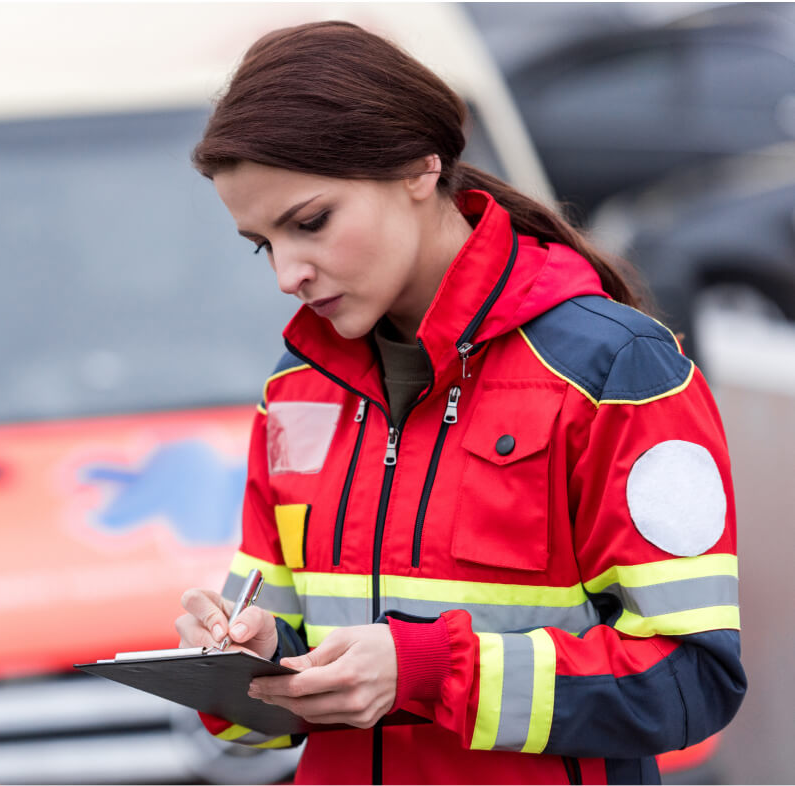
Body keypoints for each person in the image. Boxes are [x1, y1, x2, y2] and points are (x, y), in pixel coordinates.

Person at [174, 20, 745, 785]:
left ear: (418, 167)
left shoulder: (614, 368)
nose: (287, 273)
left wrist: (431, 670)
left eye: (309, 223)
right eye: (262, 243)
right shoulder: (297, 388)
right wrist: (248, 657)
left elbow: (690, 681)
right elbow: (285, 661)